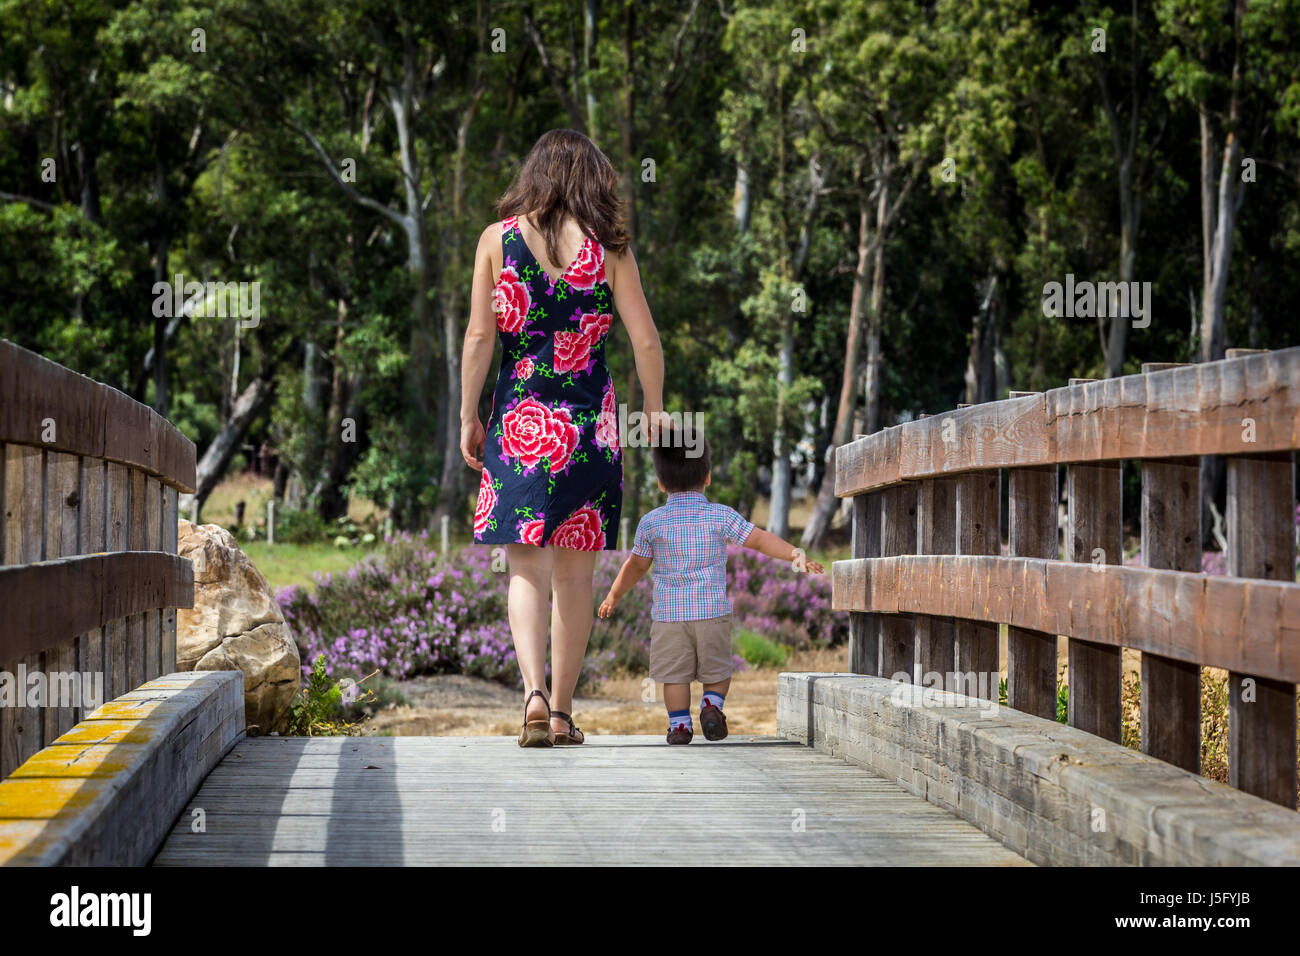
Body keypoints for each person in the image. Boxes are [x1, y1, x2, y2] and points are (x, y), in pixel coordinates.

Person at [460, 129, 665, 747]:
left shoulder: (496, 240)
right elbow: (647, 340)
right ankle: (564, 712)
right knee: (575, 577)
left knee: (525, 567)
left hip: (519, 422)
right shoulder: (610, 250)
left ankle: (532, 695)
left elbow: (478, 338)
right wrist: (653, 411)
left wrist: (469, 413)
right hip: (589, 428)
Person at [598, 424, 825, 744]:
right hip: (711, 613)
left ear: (661, 483)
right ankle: (711, 704)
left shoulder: (651, 522)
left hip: (669, 618)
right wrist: (795, 556)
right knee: (717, 670)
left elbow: (636, 565)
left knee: (674, 676)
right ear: (707, 477)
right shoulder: (720, 516)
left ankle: (679, 725)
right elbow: (759, 541)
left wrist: (613, 595)